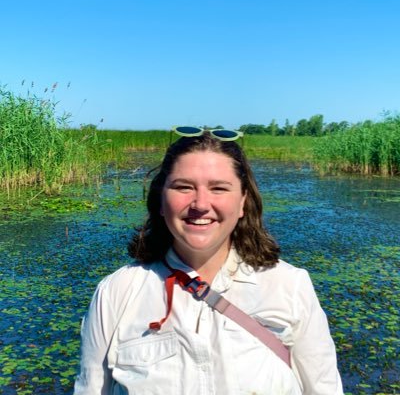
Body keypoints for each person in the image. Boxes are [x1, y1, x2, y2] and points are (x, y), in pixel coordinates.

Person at [74, 128, 344, 395]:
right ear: (159, 200)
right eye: (183, 187)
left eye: (218, 188)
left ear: (242, 203)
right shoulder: (116, 293)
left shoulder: (289, 286)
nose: (200, 204)